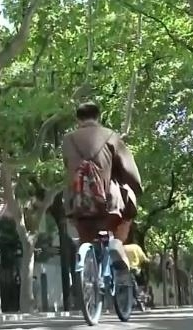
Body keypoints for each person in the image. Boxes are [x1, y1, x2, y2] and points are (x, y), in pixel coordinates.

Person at [62, 102, 143, 274]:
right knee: (126, 213)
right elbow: (129, 170)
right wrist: (137, 188)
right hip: (108, 204)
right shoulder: (111, 136)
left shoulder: (67, 140)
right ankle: (117, 245)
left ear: (77, 119)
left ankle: (86, 258)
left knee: (85, 236)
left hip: (78, 204)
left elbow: (68, 167)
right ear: (99, 116)